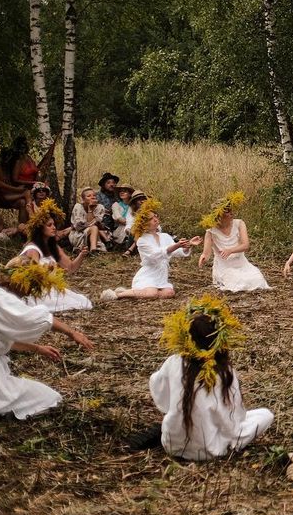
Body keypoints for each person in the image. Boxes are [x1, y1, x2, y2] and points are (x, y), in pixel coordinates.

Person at [0, 253, 94, 420]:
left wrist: (38, 348)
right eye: (30, 288)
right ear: (20, 281)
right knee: (49, 398)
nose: (27, 294)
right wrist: (71, 332)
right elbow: (35, 318)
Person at [150, 296, 273, 460]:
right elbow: (235, 417)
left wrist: (177, 409)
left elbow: (159, 391)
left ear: (188, 337)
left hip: (173, 445)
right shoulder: (225, 371)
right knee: (265, 415)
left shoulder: (174, 362)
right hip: (214, 449)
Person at [101, 199, 202, 301]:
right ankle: (118, 294)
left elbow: (176, 252)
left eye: (155, 216)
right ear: (144, 224)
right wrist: (176, 245)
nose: (155, 219)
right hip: (148, 274)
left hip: (161, 275)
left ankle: (137, 292)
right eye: (151, 219)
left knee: (169, 293)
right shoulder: (142, 240)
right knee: (151, 293)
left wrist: (188, 245)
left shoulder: (165, 236)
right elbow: (155, 255)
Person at [5, 198, 93, 312]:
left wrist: (81, 255)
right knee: (71, 304)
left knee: (83, 302)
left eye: (54, 224)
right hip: (35, 292)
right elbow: (33, 276)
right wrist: (47, 270)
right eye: (49, 225)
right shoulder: (33, 249)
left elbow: (70, 268)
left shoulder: (53, 246)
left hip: (51, 289)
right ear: (40, 229)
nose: (54, 227)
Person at [198, 192, 270, 292]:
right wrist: (203, 258)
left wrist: (230, 250)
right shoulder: (211, 232)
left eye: (231, 210)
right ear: (220, 215)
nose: (231, 213)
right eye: (227, 211)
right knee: (238, 282)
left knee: (257, 279)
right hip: (225, 267)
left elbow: (245, 245)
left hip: (242, 264)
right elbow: (206, 253)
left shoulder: (239, 223)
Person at [69, 186, 110, 253]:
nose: (93, 197)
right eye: (89, 196)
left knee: (95, 228)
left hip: (95, 233)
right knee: (94, 227)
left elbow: (97, 224)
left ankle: (93, 250)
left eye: (94, 195)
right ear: (83, 199)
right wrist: (90, 209)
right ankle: (93, 249)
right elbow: (79, 227)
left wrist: (90, 210)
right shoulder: (78, 207)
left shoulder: (100, 207)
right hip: (78, 234)